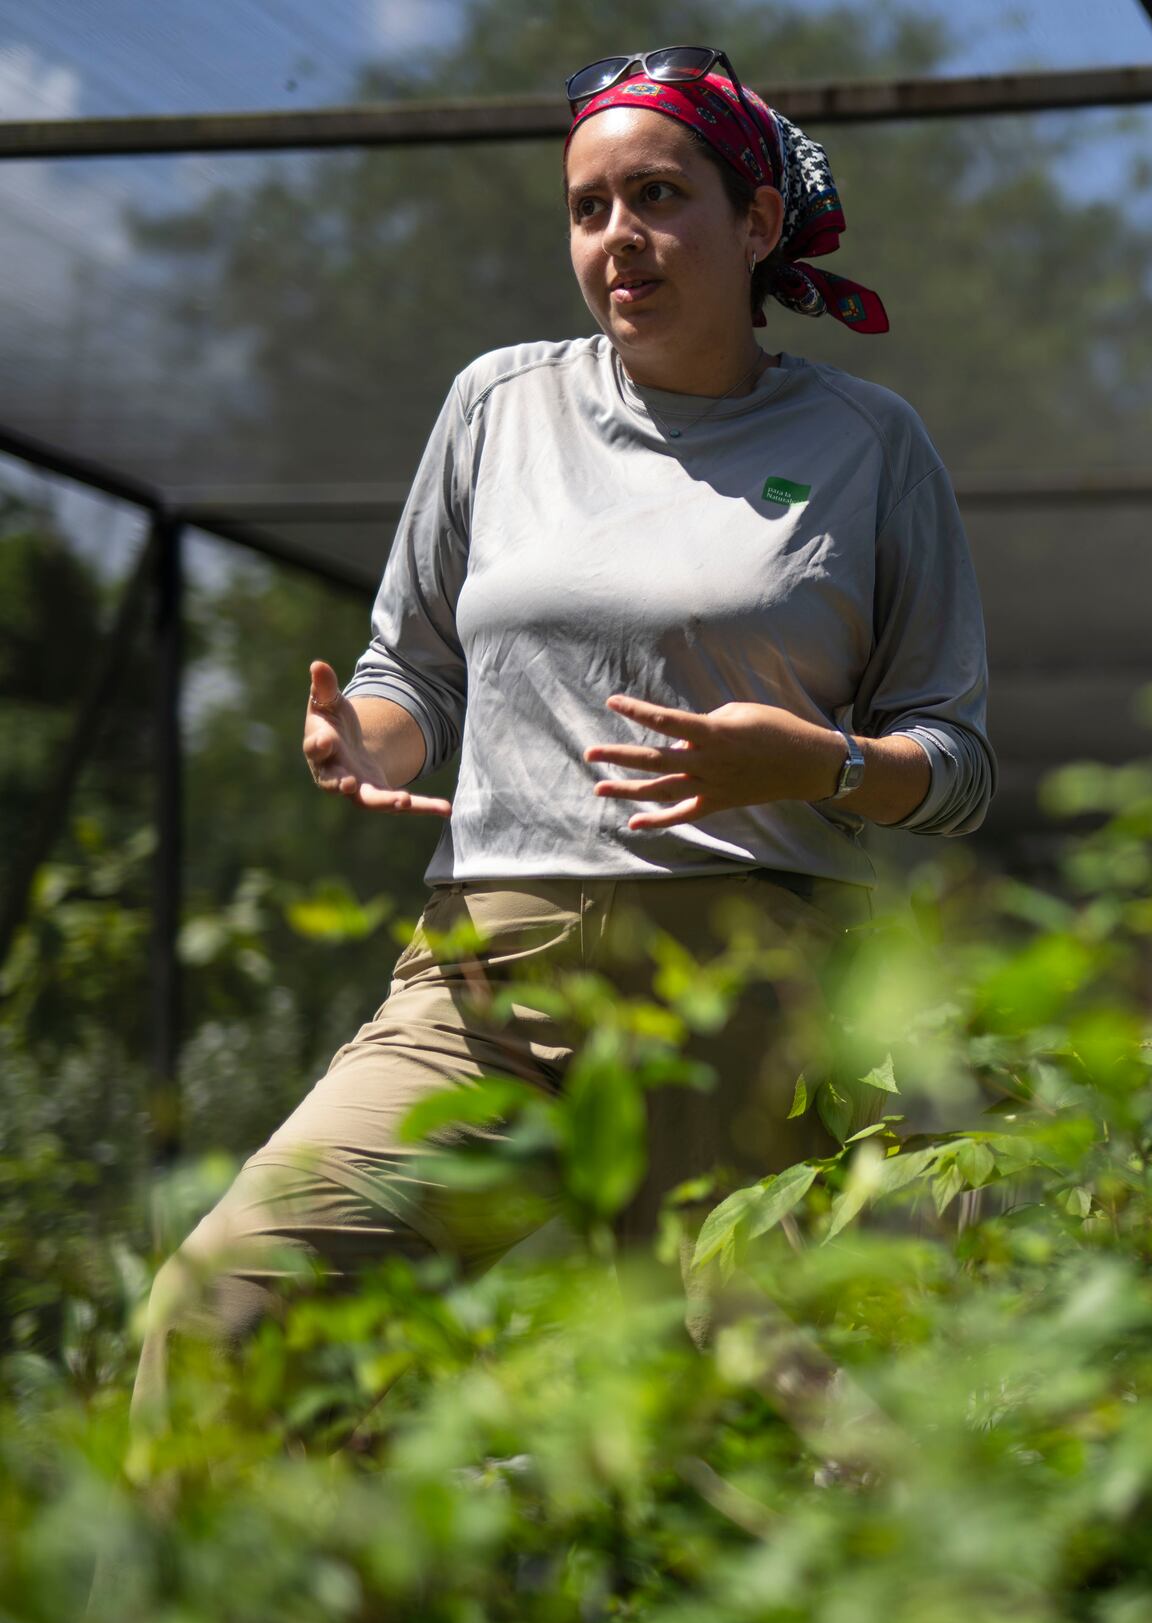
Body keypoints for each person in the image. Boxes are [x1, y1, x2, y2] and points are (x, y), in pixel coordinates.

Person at [134, 46, 993, 1428]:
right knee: (226, 1310)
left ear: (757, 221)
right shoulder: (498, 405)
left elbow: (957, 767)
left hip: (750, 1005)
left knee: (789, 1434)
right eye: (589, 208)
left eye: (657, 196)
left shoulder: (869, 445)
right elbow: (405, 669)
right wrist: (365, 741)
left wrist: (817, 764)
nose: (618, 239)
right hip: (486, 982)